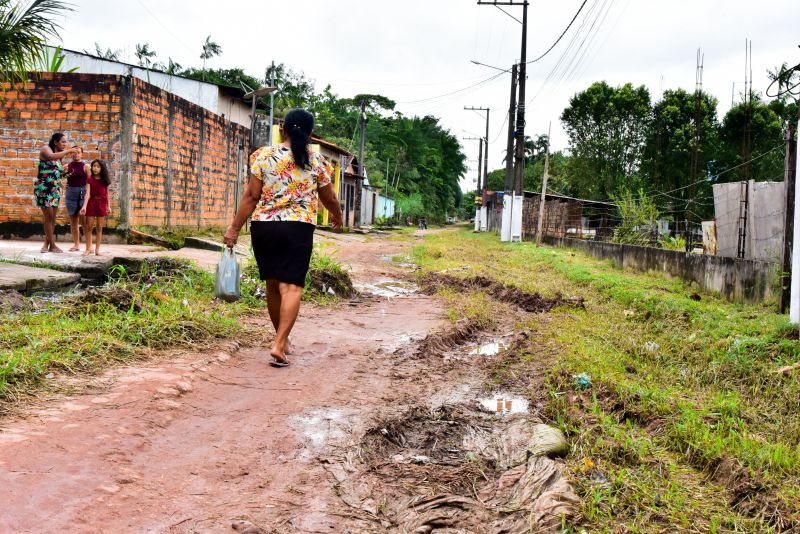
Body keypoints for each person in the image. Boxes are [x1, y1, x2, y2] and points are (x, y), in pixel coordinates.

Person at [223, 108, 343, 368]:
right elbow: (329, 198)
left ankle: (282, 339)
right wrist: (337, 215)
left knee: (273, 285)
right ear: (310, 134)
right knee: (292, 287)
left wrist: (234, 228)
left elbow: (251, 197)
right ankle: (279, 343)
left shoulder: (264, 156)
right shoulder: (318, 162)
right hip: (297, 229)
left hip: (264, 228)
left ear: (283, 129)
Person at [36, 133, 78, 253]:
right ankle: (53, 245)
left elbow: (53, 173)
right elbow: (51, 157)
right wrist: (69, 151)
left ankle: (46, 244)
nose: (65, 144)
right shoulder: (46, 149)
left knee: (53, 218)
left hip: (54, 190)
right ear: (55, 142)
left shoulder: (59, 157)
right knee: (48, 217)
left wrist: (60, 183)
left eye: (66, 142)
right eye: (63, 142)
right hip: (44, 188)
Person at [79, 159, 110, 256]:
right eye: (94, 166)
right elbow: (87, 194)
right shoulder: (89, 179)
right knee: (88, 227)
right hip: (91, 203)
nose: (95, 168)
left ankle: (97, 250)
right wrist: (84, 206)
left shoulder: (105, 181)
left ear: (102, 168)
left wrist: (108, 206)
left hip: (102, 204)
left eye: (98, 166)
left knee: (99, 228)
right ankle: (88, 249)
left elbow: (107, 194)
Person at [64, 146, 90, 252]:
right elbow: (55, 176)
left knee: (84, 221)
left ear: (82, 154)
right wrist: (62, 185)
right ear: (70, 154)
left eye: (78, 152)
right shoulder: (66, 166)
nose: (76, 154)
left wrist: (88, 195)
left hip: (82, 194)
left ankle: (89, 246)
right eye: (73, 152)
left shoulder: (86, 166)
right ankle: (76, 245)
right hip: (70, 194)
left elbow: (90, 183)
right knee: (73, 221)